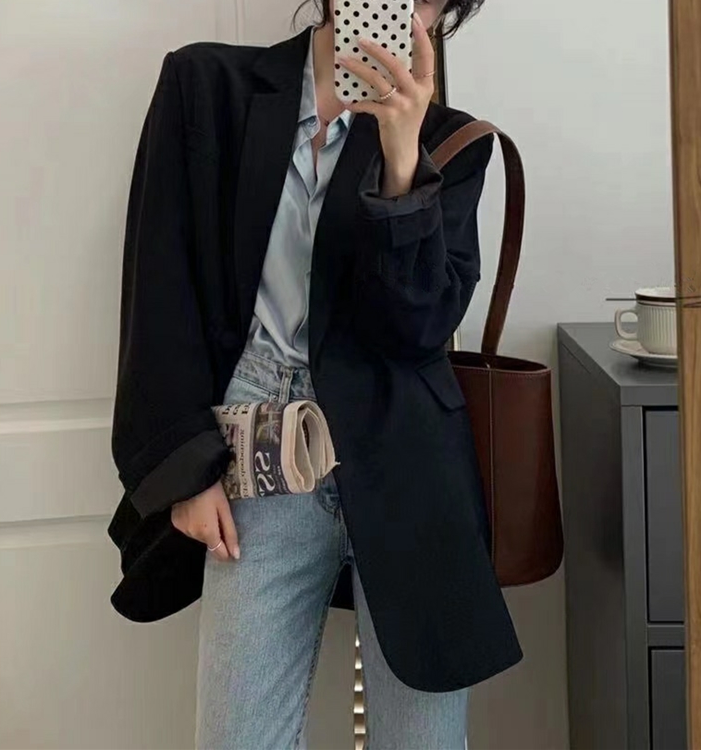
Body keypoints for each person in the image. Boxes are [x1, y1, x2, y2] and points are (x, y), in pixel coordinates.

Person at [107, 0, 523, 747]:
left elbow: (417, 333)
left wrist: (401, 162)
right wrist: (182, 471)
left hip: (406, 458)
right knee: (238, 737)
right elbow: (159, 286)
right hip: (259, 452)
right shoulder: (207, 88)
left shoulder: (454, 143)